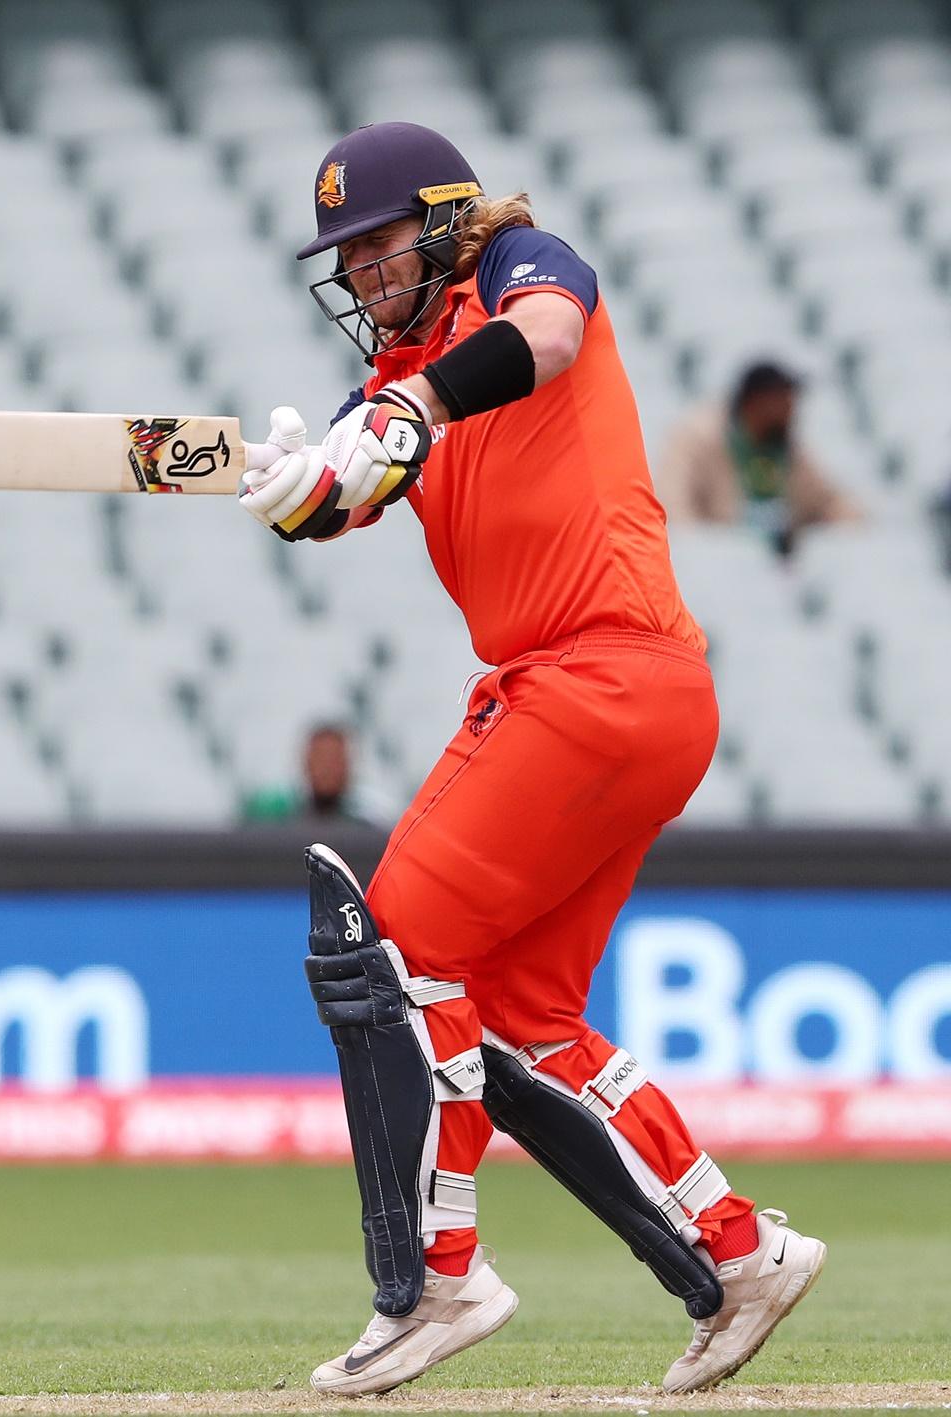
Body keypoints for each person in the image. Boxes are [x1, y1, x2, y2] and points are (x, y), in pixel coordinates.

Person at [237, 123, 826, 1397]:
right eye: (347, 259)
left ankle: (439, 1281)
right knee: (515, 1015)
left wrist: (410, 405)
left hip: (592, 673)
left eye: (379, 247)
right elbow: (347, 490)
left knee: (388, 952)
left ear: (447, 222)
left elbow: (544, 341)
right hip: (628, 691)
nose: (362, 277)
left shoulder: (520, 260)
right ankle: (740, 1253)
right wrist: (301, 482)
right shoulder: (403, 366)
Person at [657, 361, 861, 555]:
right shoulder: (697, 438)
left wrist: (854, 527)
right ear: (755, 402)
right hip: (720, 563)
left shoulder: (789, 449)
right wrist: (704, 552)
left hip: (779, 566)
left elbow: (828, 501)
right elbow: (673, 503)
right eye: (783, 401)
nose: (791, 411)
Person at [241, 722, 383, 828]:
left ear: (349, 765)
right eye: (320, 758)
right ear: (306, 763)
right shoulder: (277, 828)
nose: (327, 768)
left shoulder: (367, 831)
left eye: (335, 759)